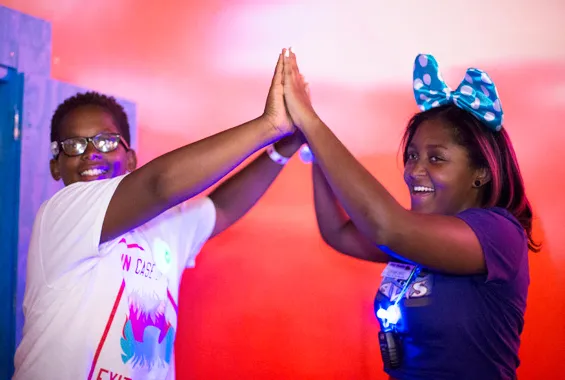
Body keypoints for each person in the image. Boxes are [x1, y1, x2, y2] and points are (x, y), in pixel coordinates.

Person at [13, 49, 304, 380]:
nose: (91, 154)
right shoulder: (61, 214)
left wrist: (283, 149)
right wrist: (269, 126)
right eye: (74, 145)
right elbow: (160, 185)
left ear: (132, 159)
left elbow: (220, 208)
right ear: (55, 166)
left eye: (107, 142)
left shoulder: (164, 223)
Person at [282, 50, 539, 379]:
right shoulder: (420, 233)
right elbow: (339, 233)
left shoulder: (499, 235)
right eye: (412, 155)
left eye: (436, 159)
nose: (414, 171)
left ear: (481, 172)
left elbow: (387, 228)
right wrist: (314, 148)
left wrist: (312, 123)